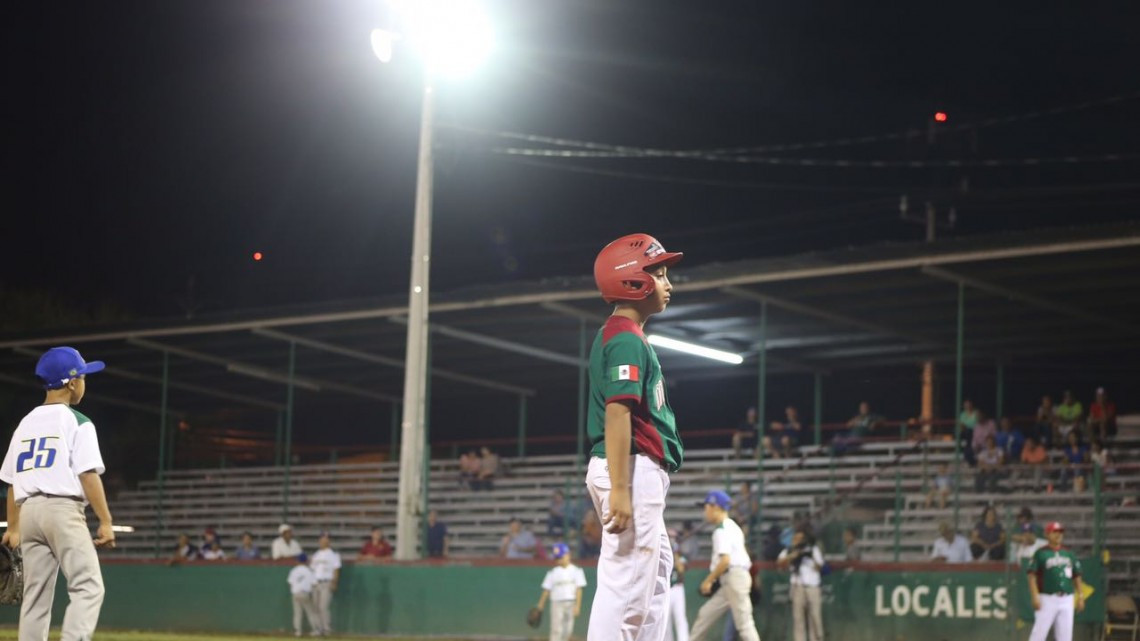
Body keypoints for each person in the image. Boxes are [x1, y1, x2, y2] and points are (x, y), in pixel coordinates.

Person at [586, 233, 684, 640]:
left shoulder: (628, 333)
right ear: (632, 282)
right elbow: (618, 411)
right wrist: (622, 489)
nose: (668, 283)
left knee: (653, 581)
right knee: (626, 586)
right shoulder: (625, 336)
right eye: (658, 274)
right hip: (630, 466)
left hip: (637, 468)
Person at [0, 347, 115, 641]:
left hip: (28, 514)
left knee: (35, 596)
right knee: (88, 585)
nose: (85, 382)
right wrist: (105, 520)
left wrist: (13, 527)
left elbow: (12, 481)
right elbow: (88, 474)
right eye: (84, 376)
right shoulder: (77, 421)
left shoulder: (25, 423)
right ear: (72, 382)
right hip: (61, 510)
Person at [688, 491, 760, 641]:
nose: (705, 511)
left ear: (716, 507)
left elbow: (725, 560)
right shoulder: (732, 526)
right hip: (731, 580)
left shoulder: (722, 530)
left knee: (744, 624)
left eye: (707, 506)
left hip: (735, 577)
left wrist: (708, 580)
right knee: (705, 614)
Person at [1027, 522, 1084, 641]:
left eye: (1060, 532)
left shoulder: (1068, 553)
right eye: (1054, 532)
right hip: (1047, 598)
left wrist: (1081, 596)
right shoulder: (1041, 553)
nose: (1058, 534)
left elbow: (1077, 575)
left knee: (1065, 637)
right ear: (1047, 534)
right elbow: (1032, 575)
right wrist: (1035, 596)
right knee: (1038, 634)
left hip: (1067, 598)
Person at [778, 528, 825, 641]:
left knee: (815, 618)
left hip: (812, 587)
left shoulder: (812, 549)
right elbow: (780, 563)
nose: (798, 541)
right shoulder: (790, 550)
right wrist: (793, 556)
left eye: (800, 538)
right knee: (798, 619)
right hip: (797, 586)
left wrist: (808, 556)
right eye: (796, 538)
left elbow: (820, 567)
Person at [535, 543, 587, 641]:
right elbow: (546, 590)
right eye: (556, 558)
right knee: (556, 629)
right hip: (556, 602)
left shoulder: (577, 571)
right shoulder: (552, 572)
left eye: (560, 557)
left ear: (568, 555)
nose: (558, 560)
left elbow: (579, 589)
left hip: (571, 602)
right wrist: (540, 606)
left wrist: (578, 606)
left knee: (568, 629)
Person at [311, 532, 342, 636]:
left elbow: (336, 568)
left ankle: (326, 628)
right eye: (322, 538)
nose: (323, 541)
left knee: (323, 607)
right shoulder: (316, 554)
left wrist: (335, 582)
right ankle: (318, 629)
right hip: (316, 583)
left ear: (329, 541)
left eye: (326, 539)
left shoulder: (333, 554)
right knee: (315, 607)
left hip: (326, 582)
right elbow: (312, 569)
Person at [287, 553, 321, 637]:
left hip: (295, 593)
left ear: (298, 561)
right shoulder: (309, 570)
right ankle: (315, 630)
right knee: (310, 612)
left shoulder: (294, 570)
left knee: (297, 613)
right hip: (305, 593)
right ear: (306, 561)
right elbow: (315, 584)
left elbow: (290, 583)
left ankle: (297, 631)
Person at [664, 531, 690, 641]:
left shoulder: (681, 553)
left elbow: (681, 569)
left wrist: (676, 555)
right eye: (670, 537)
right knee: (665, 622)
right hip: (665, 590)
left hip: (677, 588)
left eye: (674, 538)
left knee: (680, 619)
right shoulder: (662, 552)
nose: (672, 540)